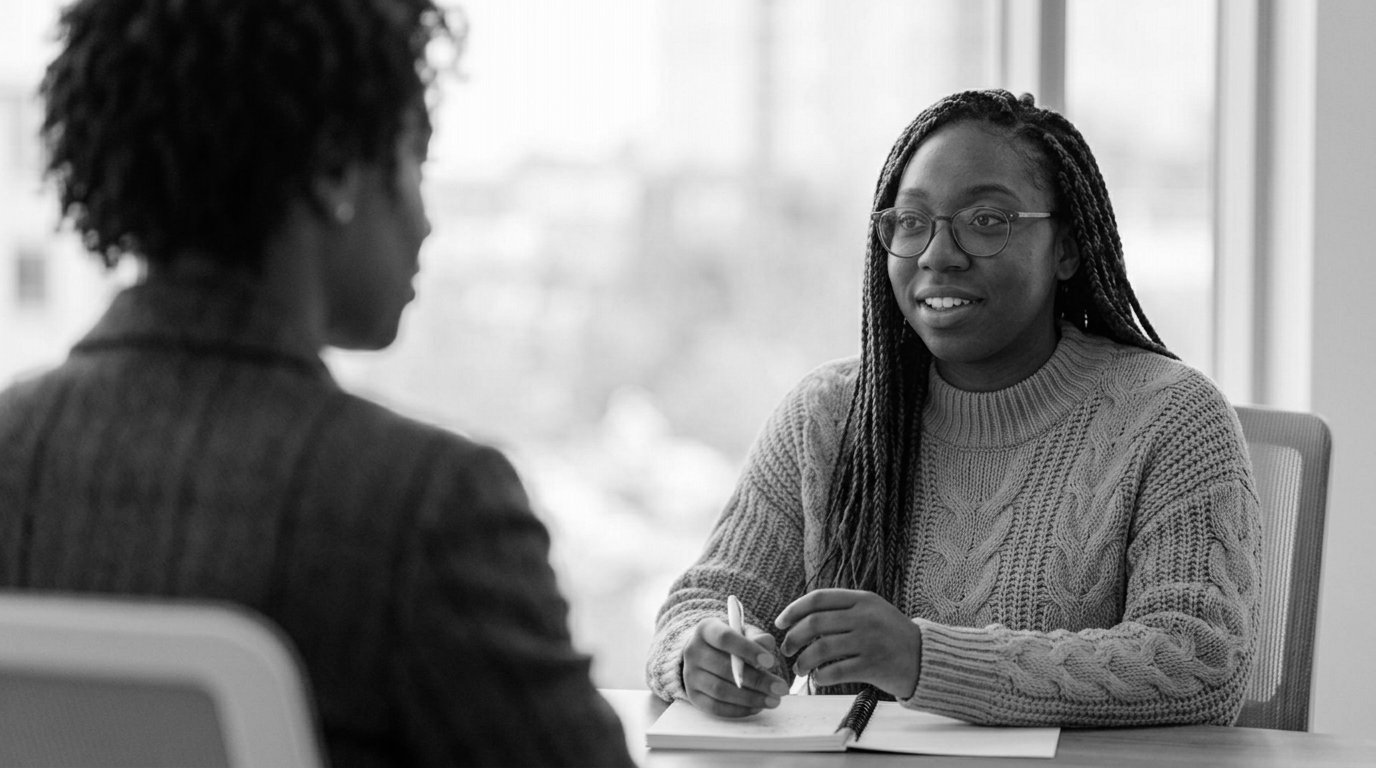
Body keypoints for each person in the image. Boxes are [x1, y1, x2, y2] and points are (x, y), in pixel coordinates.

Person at [0, 1, 634, 765]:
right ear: (337, 169)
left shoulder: (13, 450)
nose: (426, 221)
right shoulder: (427, 508)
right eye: (413, 162)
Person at [646, 89, 1262, 728]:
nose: (938, 254)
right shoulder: (825, 417)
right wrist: (700, 657)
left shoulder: (1171, 418)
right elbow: (702, 603)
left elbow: (1199, 662)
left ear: (1068, 248)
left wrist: (922, 659)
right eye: (911, 223)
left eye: (987, 220)